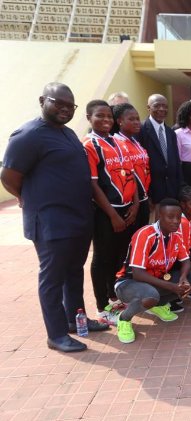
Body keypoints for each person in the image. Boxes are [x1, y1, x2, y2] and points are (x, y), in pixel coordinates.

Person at [1, 83, 107, 352]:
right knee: (52, 279)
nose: (64, 109)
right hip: (51, 223)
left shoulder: (68, 133)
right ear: (42, 101)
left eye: (69, 106)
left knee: (74, 273)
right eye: (57, 103)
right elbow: (9, 177)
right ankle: (56, 334)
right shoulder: (28, 135)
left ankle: (76, 320)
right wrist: (29, 199)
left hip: (78, 219)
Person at [113, 198, 191, 343]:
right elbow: (137, 273)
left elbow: (186, 261)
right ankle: (124, 318)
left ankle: (157, 305)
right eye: (170, 217)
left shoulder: (175, 235)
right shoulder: (145, 234)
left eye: (178, 217)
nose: (176, 221)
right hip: (129, 283)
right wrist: (172, 287)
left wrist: (183, 278)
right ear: (159, 216)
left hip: (156, 280)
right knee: (151, 295)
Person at [83, 100, 139, 326]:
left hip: (127, 209)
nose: (105, 120)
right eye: (100, 116)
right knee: (102, 258)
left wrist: (135, 205)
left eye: (108, 116)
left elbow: (131, 175)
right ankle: (101, 306)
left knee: (119, 256)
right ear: (89, 117)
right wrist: (113, 215)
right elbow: (93, 185)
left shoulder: (117, 142)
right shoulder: (89, 145)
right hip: (106, 212)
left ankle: (114, 297)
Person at [112, 103, 151, 230]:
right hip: (132, 203)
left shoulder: (135, 141)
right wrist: (136, 202)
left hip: (143, 199)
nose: (136, 122)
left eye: (137, 119)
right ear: (119, 121)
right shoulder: (116, 143)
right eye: (131, 119)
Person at [138, 94, 183, 205]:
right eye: (157, 106)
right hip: (152, 192)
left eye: (165, 106)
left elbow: (176, 161)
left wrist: (180, 187)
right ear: (148, 108)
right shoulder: (141, 130)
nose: (162, 109)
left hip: (171, 190)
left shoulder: (170, 132)